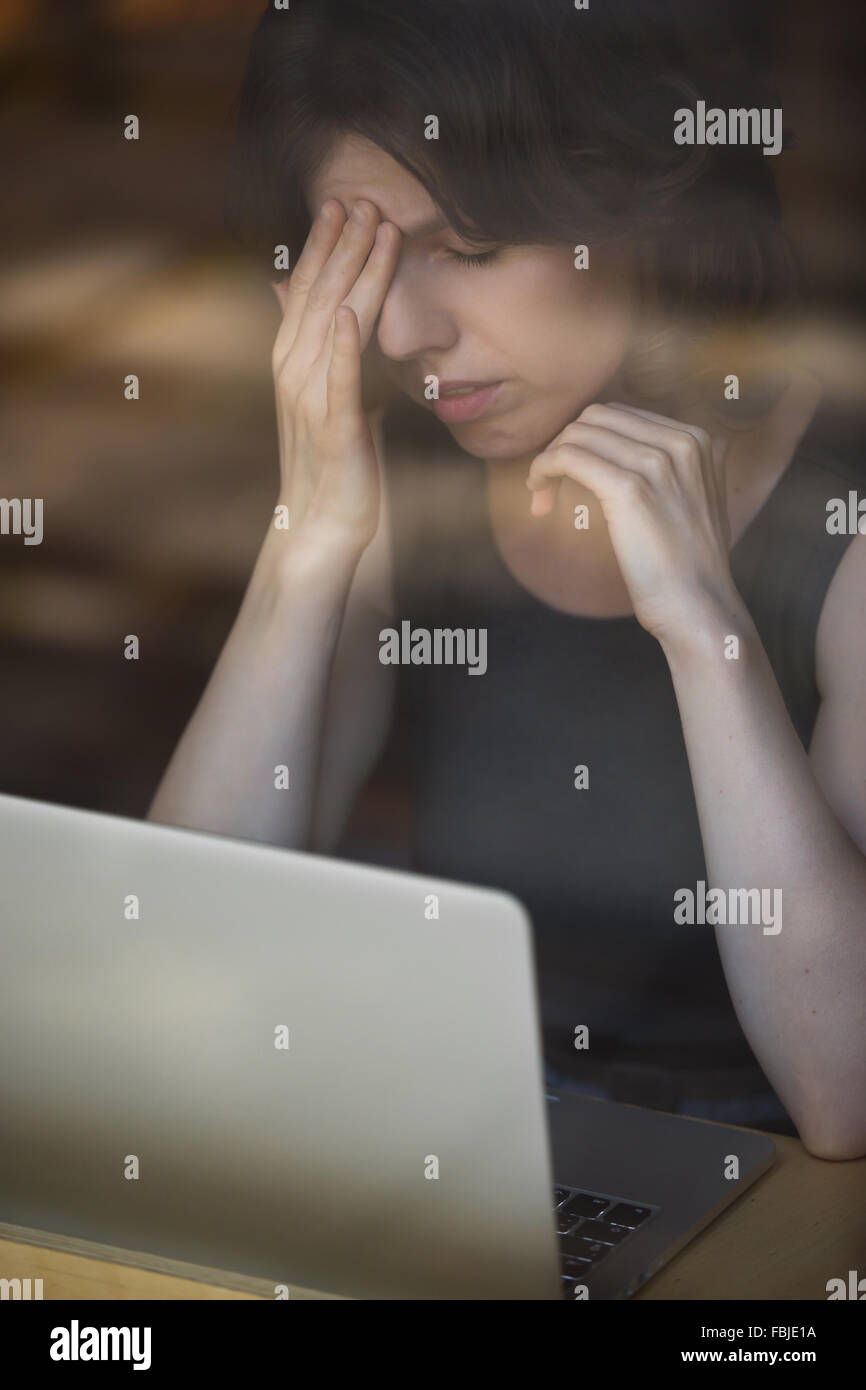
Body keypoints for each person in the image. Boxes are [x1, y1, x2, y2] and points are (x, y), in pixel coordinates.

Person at [148, 0, 866, 1157]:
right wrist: (306, 545)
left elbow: (846, 1097)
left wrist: (701, 632)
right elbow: (170, 975)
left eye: (469, 252)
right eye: (359, 263)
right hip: (475, 1159)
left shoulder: (838, 520)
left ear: (641, 204)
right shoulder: (407, 490)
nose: (398, 334)